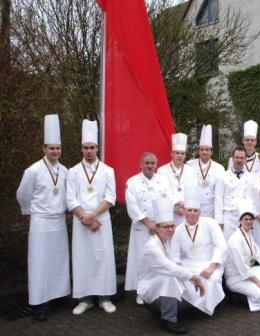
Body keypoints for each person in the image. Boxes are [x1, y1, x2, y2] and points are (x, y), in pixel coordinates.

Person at [16, 114, 70, 321]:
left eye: (58, 148)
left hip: (58, 220)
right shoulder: (33, 170)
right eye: (51, 148)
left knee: (59, 259)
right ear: (44, 149)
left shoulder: (64, 170)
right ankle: (39, 303)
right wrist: (29, 212)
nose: (55, 151)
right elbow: (23, 194)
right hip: (40, 220)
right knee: (39, 261)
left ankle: (59, 294)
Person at [66, 119, 117, 314]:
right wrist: (84, 218)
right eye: (86, 148)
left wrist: (92, 216)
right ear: (81, 149)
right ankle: (84, 299)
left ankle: (104, 297)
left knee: (102, 257)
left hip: (101, 220)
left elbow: (110, 197)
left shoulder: (107, 171)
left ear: (97, 148)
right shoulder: (73, 172)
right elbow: (70, 198)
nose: (89, 151)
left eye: (92, 147)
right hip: (81, 223)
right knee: (82, 258)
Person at [137, 198, 205, 335]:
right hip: (149, 288)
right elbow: (168, 267)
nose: (171, 230)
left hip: (158, 285)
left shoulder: (165, 241)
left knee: (187, 294)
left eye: (173, 226)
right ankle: (168, 320)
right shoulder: (152, 247)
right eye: (166, 227)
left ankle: (161, 309)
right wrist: (195, 278)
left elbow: (174, 262)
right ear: (157, 228)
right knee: (170, 277)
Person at [124, 152, 173, 305]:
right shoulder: (132, 182)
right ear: (141, 164)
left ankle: (158, 289)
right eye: (147, 163)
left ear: (156, 164)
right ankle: (141, 291)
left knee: (160, 259)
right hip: (142, 228)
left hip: (160, 227)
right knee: (142, 260)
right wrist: (147, 223)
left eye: (153, 163)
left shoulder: (163, 181)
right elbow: (132, 206)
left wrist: (159, 224)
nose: (150, 166)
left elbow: (168, 200)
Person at [170, 185, 227, 315]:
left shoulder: (210, 223)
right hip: (189, 263)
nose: (192, 213)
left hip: (210, 263)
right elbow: (174, 254)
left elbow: (221, 246)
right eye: (189, 210)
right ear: (183, 211)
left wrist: (211, 268)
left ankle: (205, 307)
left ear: (200, 212)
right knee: (179, 278)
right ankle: (192, 305)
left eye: (195, 210)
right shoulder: (178, 230)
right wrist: (180, 269)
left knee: (210, 280)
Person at [158, 133, 198, 226]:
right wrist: (176, 204)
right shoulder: (162, 170)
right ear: (171, 154)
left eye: (182, 153)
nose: (180, 156)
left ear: (185, 155)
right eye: (177, 153)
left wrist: (186, 206)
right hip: (169, 212)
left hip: (186, 212)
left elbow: (193, 191)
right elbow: (161, 193)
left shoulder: (191, 171)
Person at [186, 125, 225, 218]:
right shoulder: (189, 165)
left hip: (211, 210)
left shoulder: (219, 168)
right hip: (194, 208)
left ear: (211, 152)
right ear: (198, 151)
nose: (204, 152)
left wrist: (219, 216)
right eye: (202, 149)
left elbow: (220, 194)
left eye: (207, 150)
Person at [215, 147, 253, 240]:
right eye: (237, 157)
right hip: (228, 217)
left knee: (244, 245)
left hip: (244, 217)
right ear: (232, 158)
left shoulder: (251, 177)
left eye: (242, 158)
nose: (239, 160)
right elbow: (218, 199)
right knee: (228, 244)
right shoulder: (222, 176)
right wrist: (219, 220)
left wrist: (250, 218)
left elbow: (252, 199)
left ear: (245, 159)